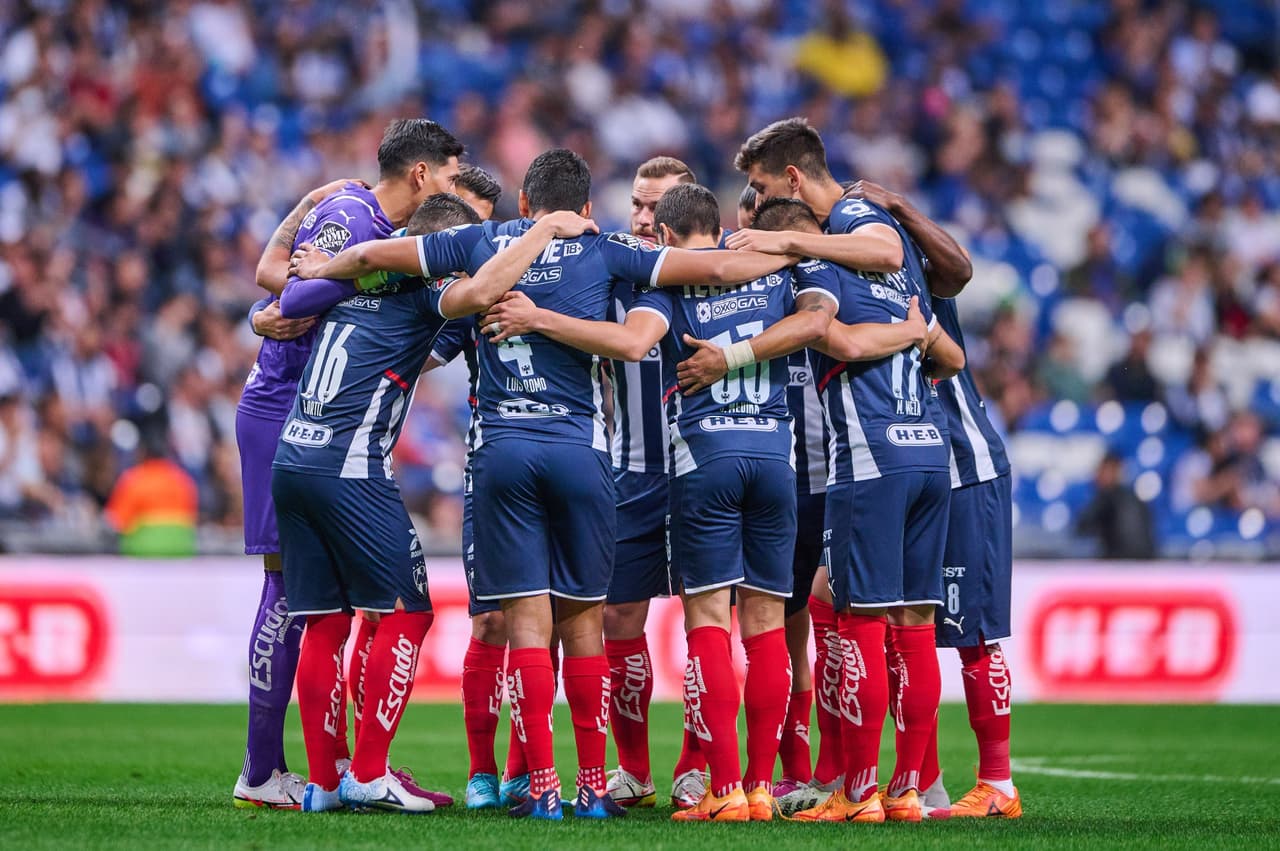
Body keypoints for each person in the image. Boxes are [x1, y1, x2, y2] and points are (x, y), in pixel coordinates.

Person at [290, 147, 800, 821]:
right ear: (586, 210)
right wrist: (795, 248)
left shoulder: (483, 238)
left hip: (502, 452)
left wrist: (317, 267)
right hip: (585, 454)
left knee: (523, 626)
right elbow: (716, 270)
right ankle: (597, 786)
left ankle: (543, 788)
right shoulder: (614, 252)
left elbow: (378, 256)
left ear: (524, 205)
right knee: (587, 624)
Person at [276, 193, 599, 814]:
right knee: (410, 613)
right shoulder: (425, 293)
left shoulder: (349, 284)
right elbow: (477, 294)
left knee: (325, 620)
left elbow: (284, 288)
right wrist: (544, 232)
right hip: (349, 466)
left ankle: (324, 781)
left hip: (293, 456)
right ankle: (369, 774)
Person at [687, 141, 966, 820]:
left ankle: (862, 790)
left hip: (871, 457)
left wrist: (737, 349)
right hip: (930, 450)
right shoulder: (902, 285)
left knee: (865, 622)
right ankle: (907, 791)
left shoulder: (821, 262)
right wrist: (913, 336)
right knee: (918, 624)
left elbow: (830, 337)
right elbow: (952, 355)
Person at [232, 118, 463, 810]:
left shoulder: (378, 236)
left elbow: (278, 278)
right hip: (288, 412)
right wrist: (271, 299)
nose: (451, 191)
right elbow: (289, 289)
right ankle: (263, 768)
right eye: (451, 175)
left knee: (322, 605)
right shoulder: (354, 212)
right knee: (289, 595)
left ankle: (330, 772)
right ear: (422, 175)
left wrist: (284, 258)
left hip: (321, 414)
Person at [845, 179, 1023, 818]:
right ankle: (924, 777)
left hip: (962, 463)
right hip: (902, 463)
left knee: (970, 631)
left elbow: (960, 270)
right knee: (900, 628)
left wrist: (901, 209)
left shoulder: (910, 268)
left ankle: (998, 783)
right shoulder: (841, 263)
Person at [605, 156, 704, 811]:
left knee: (709, 622)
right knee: (616, 615)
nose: (644, 217)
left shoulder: (716, 273)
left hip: (702, 468)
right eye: (638, 204)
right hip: (632, 469)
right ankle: (634, 769)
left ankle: (699, 762)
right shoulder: (608, 266)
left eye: (658, 206)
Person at [738, 184, 826, 808]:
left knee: (823, 626)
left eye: (756, 235)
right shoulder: (745, 294)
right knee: (779, 627)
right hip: (773, 474)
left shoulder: (821, 287)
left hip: (826, 480)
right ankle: (786, 771)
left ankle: (829, 771)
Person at [103, 415, 197, 558]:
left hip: (141, 558)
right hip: (180, 557)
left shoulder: (133, 480)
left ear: (141, 452)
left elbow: (115, 522)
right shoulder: (183, 481)